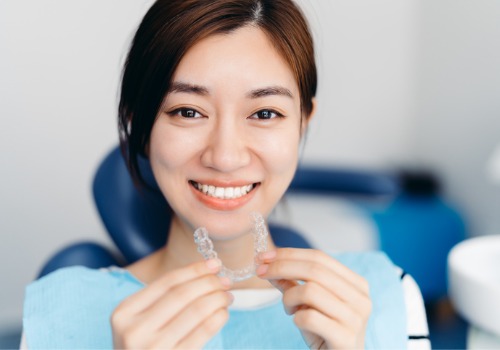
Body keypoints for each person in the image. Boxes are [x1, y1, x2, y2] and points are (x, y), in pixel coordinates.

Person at [22, 0, 430, 348]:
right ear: (140, 128)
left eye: (265, 113)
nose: (226, 156)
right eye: (188, 112)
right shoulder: (61, 310)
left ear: (303, 124)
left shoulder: (386, 293)